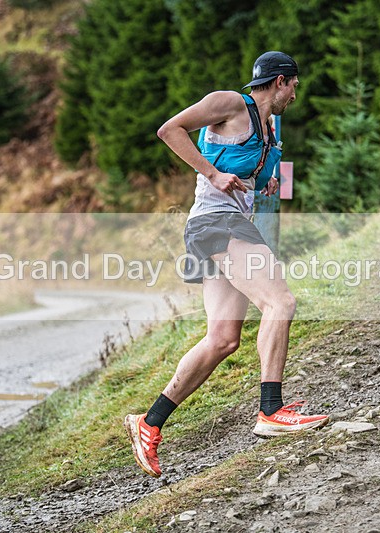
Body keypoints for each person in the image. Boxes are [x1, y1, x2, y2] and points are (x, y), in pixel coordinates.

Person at [123, 51, 329, 478]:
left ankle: (149, 421)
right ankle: (270, 411)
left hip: (225, 226)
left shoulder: (272, 131)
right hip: (217, 223)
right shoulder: (231, 103)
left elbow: (263, 176)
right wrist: (213, 174)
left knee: (222, 339)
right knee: (281, 304)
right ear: (281, 81)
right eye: (295, 85)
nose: (296, 94)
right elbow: (169, 130)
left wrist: (270, 179)